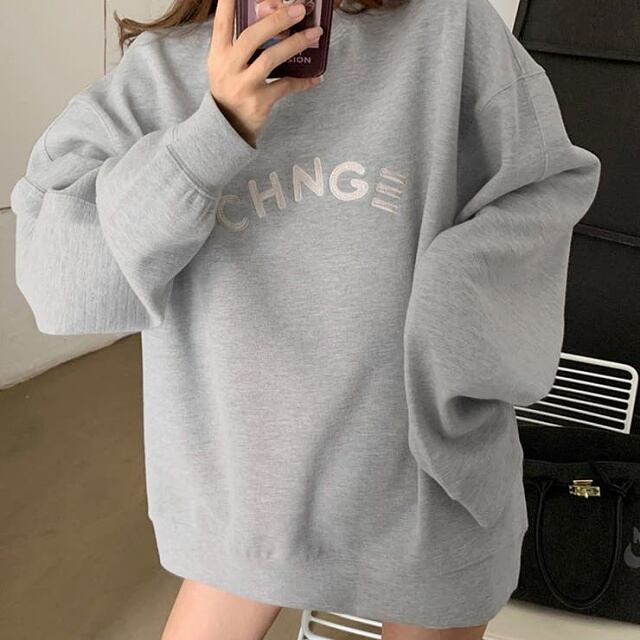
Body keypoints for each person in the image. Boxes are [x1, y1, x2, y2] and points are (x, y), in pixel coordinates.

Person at [9, 0, 601, 638]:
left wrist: (448, 314)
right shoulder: (162, 72)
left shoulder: (450, 28)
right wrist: (215, 131)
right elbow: (58, 277)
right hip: (246, 500)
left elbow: (545, 184)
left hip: (427, 487)